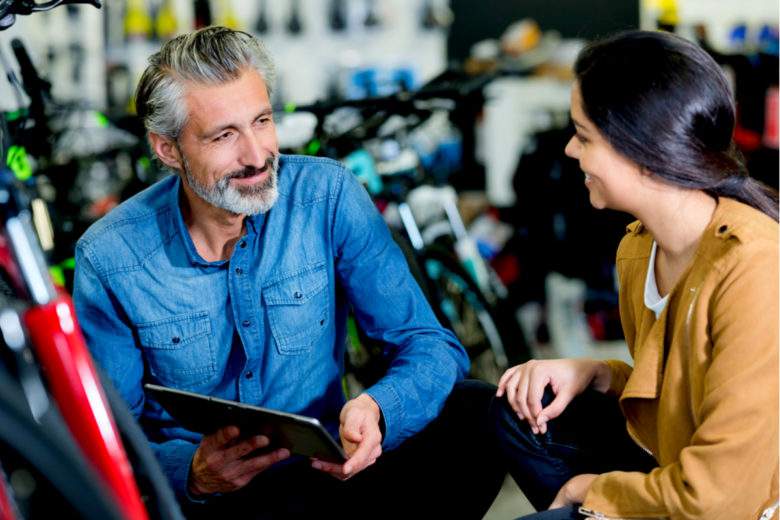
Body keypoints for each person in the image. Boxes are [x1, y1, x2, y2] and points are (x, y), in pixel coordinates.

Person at [73, 26, 505, 518]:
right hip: (211, 502)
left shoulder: (328, 196)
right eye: (224, 135)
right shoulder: (111, 258)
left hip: (323, 476)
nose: (257, 156)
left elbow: (430, 344)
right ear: (168, 148)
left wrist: (379, 409)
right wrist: (190, 471)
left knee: (477, 411)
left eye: (262, 121)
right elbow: (104, 437)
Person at [491, 30, 778, 520]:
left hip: (737, 507)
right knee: (508, 406)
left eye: (583, 137)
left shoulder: (755, 268)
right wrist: (597, 372)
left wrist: (593, 490)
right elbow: (686, 394)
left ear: (644, 151)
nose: (569, 151)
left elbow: (721, 497)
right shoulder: (639, 246)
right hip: (676, 467)